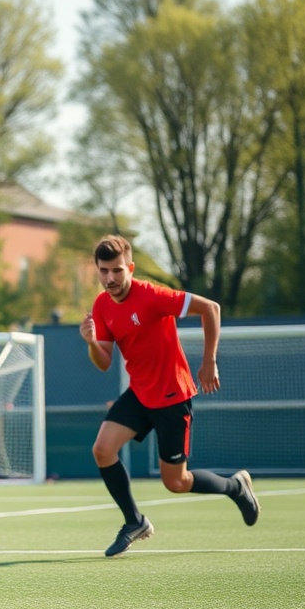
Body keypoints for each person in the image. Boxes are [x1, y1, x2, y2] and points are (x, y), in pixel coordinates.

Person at [79, 234, 260, 557]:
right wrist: (92, 343)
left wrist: (209, 362)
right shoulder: (101, 306)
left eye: (117, 270)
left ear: (130, 268)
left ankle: (235, 486)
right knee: (102, 450)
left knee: (175, 483)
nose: (111, 278)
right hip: (139, 393)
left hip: (173, 396)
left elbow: (211, 308)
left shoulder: (151, 295)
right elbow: (104, 363)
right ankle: (134, 521)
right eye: (104, 271)